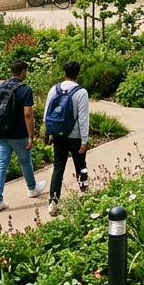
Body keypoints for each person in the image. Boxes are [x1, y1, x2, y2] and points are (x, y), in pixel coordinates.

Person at [0, 60, 47, 213]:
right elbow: (27, 114)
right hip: (18, 134)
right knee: (25, 162)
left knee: (1, 165)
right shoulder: (25, 90)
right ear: (22, 72)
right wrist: (31, 136)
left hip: (1, 133)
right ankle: (32, 189)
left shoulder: (1, 86)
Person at [45, 61, 90, 215]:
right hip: (75, 136)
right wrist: (84, 140)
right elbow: (83, 118)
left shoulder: (54, 89)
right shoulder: (81, 92)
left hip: (58, 135)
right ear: (78, 73)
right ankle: (85, 194)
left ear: (64, 72)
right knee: (81, 165)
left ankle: (53, 202)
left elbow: (47, 112)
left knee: (58, 167)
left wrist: (47, 132)